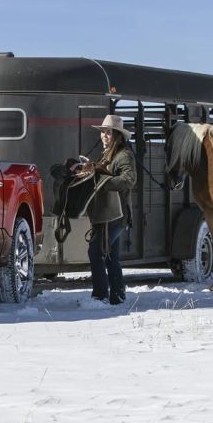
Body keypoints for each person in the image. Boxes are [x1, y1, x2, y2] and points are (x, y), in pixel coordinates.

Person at [80, 114, 137, 305]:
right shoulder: (108, 154)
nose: (104, 135)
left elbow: (129, 179)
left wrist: (103, 182)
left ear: (117, 135)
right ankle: (117, 296)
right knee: (111, 256)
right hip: (110, 213)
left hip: (117, 214)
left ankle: (100, 296)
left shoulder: (123, 155)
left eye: (108, 132)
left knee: (95, 251)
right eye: (103, 132)